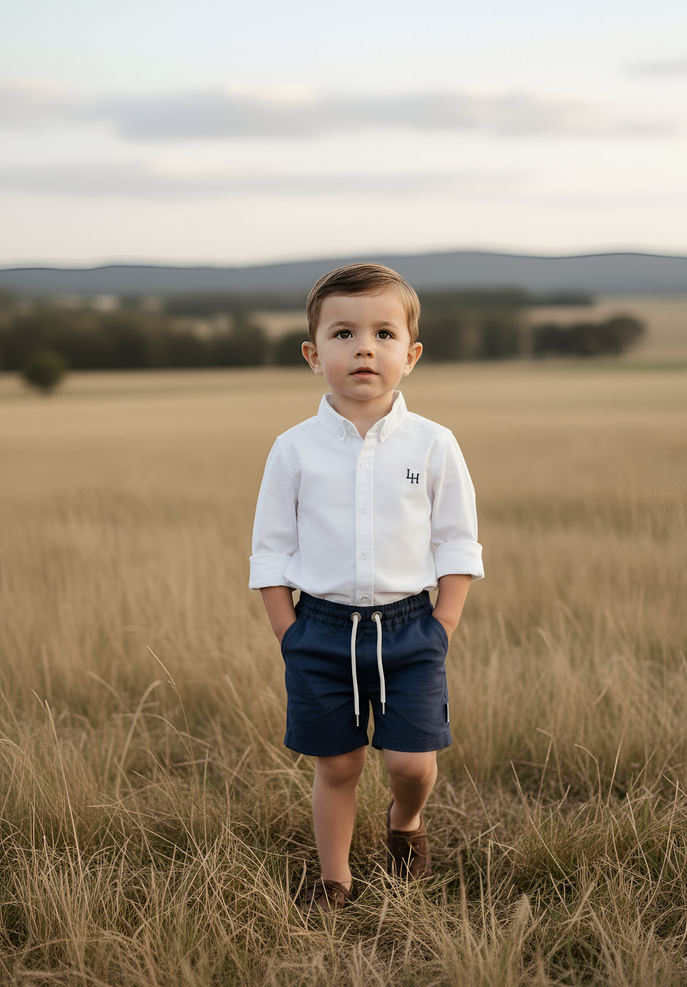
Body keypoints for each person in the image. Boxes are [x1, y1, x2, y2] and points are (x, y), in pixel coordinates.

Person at [250, 263, 484, 911]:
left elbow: (456, 540)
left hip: (411, 626)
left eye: (383, 333)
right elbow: (271, 550)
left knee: (410, 762)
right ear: (313, 353)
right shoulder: (293, 450)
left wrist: (443, 623)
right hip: (319, 630)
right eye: (344, 333)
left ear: (409, 355)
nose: (363, 348)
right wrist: (289, 632)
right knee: (340, 763)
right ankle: (335, 879)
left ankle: (405, 822)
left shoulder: (434, 444)